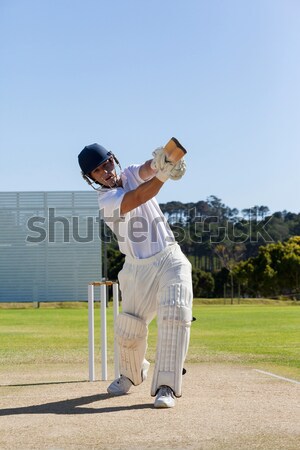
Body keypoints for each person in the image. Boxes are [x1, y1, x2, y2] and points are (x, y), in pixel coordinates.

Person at [78, 141, 193, 408]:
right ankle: (131, 373)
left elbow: (147, 169)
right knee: (129, 328)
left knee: (175, 313)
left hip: (169, 257)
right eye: (98, 171)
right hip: (136, 269)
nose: (106, 171)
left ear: (113, 160)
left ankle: (166, 385)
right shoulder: (106, 200)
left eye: (107, 163)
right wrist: (164, 174)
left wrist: (164, 160)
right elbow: (139, 197)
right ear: (91, 178)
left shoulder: (128, 173)